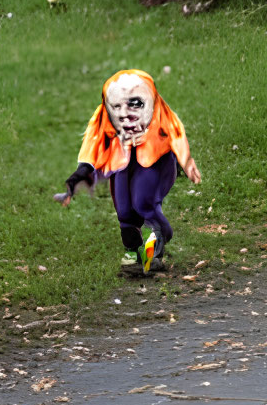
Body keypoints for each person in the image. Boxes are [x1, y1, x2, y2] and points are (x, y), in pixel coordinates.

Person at [55, 70, 203, 277]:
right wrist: (80, 174)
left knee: (143, 202)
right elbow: (93, 144)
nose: (125, 113)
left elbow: (175, 131)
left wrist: (185, 161)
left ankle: (159, 239)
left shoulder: (159, 112)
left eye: (135, 104)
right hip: (121, 161)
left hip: (154, 160)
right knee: (124, 211)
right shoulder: (104, 116)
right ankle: (133, 254)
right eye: (117, 106)